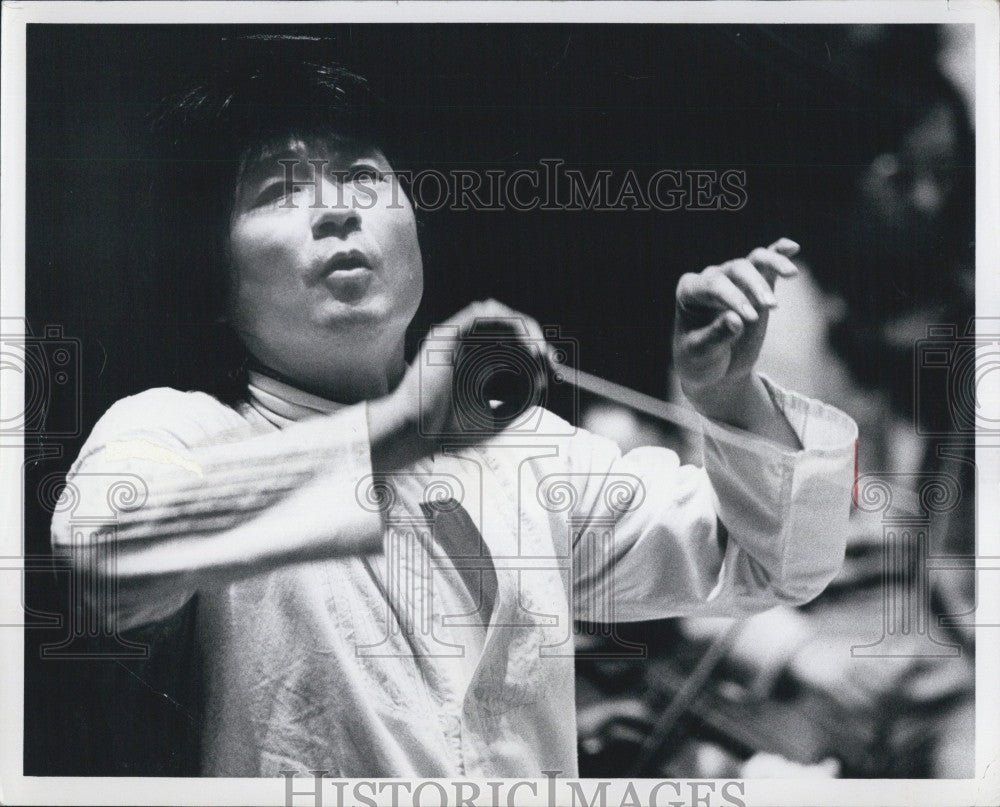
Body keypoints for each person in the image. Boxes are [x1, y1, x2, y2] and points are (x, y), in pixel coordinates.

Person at [50, 55, 857, 778]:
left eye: (364, 176)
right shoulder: (183, 431)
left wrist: (727, 398)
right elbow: (98, 557)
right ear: (213, 282)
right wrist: (404, 428)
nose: (338, 212)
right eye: (277, 193)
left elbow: (776, 562)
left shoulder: (526, 454)